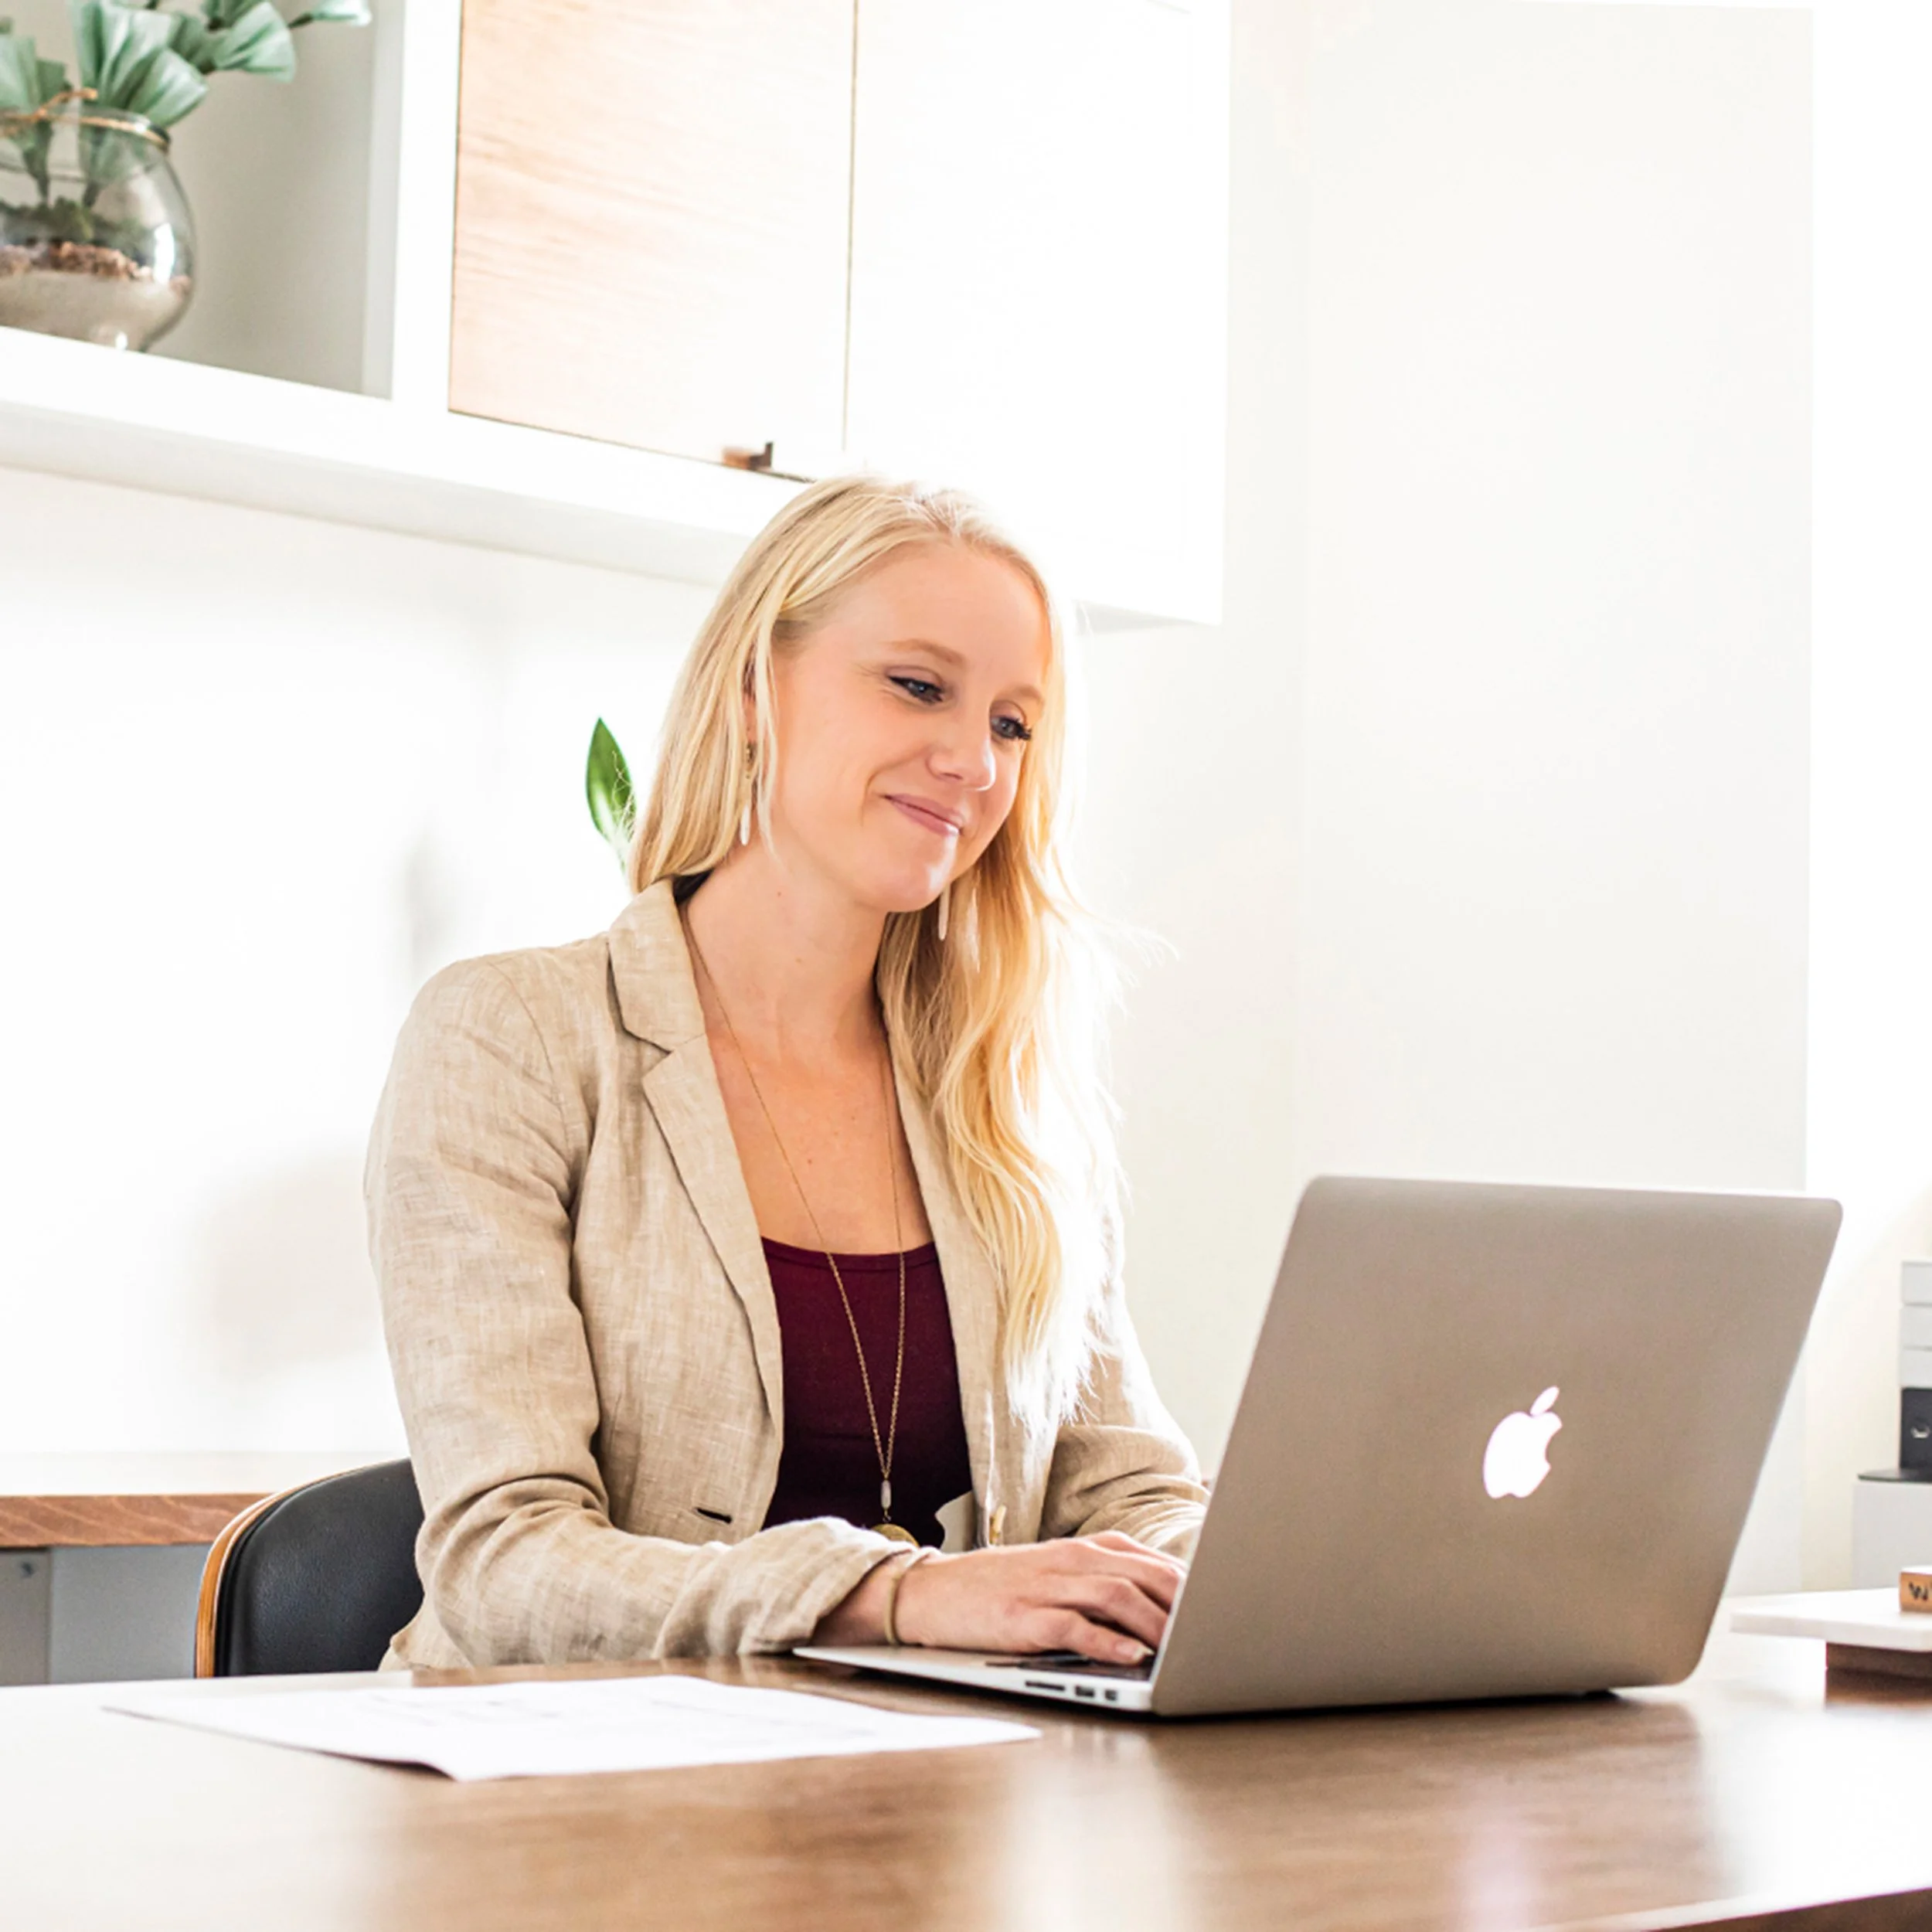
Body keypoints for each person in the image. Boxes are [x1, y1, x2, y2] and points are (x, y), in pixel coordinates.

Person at [366, 474, 1208, 1671]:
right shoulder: (514, 1038)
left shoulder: (1009, 1094)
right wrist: (901, 1596)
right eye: (919, 687)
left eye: (1014, 724)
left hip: (922, 1791)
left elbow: (1134, 1489)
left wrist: (1209, 1571)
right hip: (559, 1801)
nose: (973, 761)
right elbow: (505, 1561)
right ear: (759, 687)